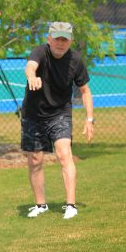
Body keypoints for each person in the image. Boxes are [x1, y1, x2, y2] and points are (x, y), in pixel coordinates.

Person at [21, 22, 94, 219]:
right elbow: (30, 66)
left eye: (65, 39)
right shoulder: (39, 52)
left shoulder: (76, 60)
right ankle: (40, 205)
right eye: (57, 39)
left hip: (60, 113)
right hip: (34, 114)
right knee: (35, 160)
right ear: (49, 39)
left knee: (64, 153)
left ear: (70, 41)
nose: (60, 43)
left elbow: (85, 91)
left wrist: (89, 119)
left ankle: (70, 205)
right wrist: (32, 77)